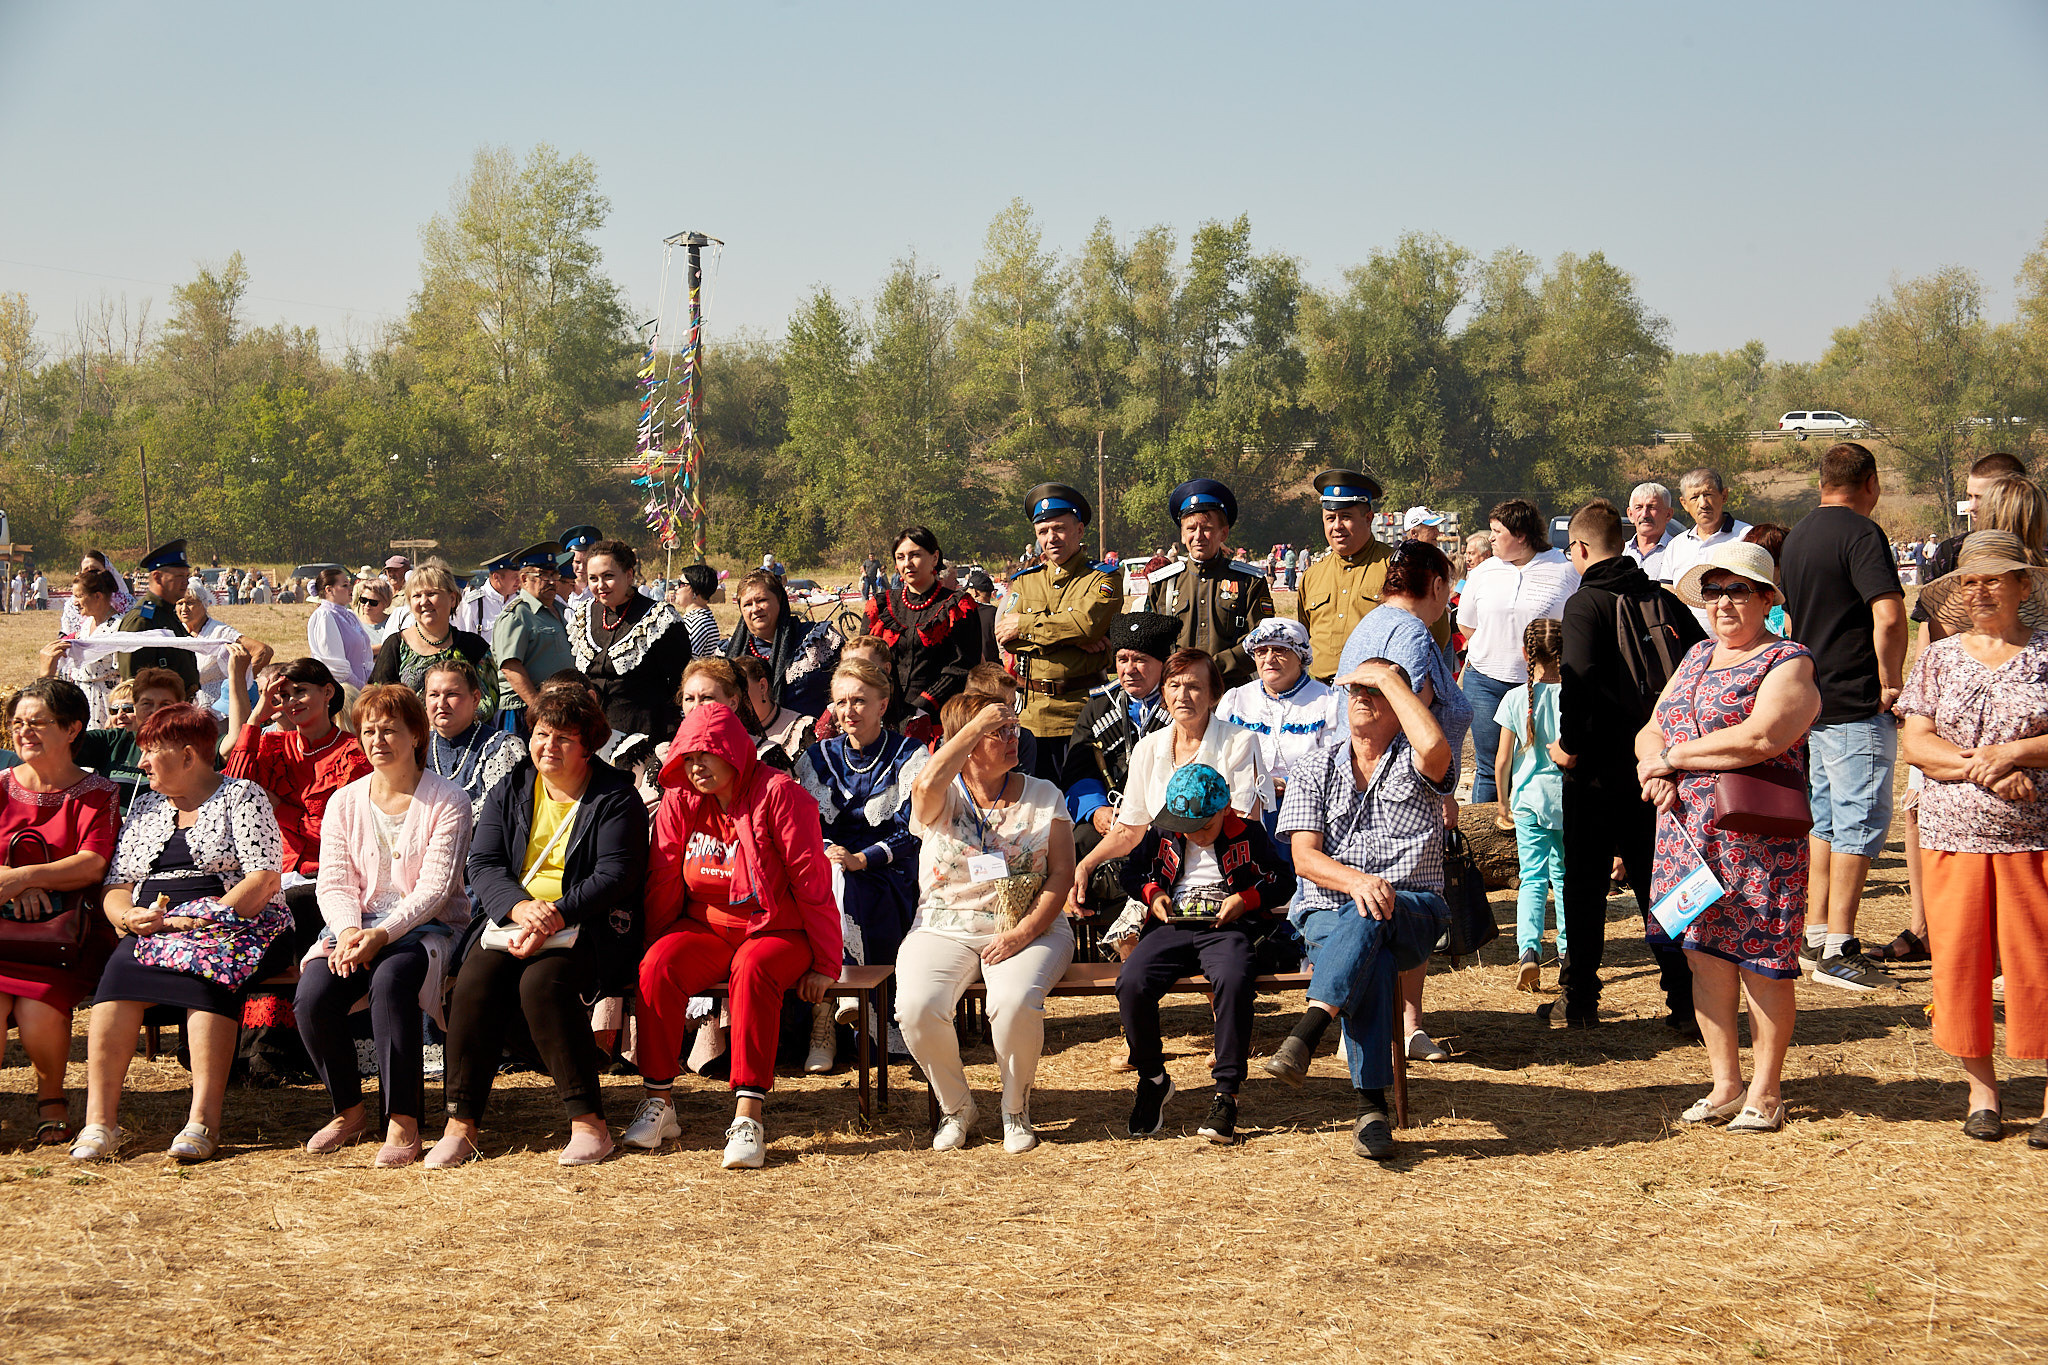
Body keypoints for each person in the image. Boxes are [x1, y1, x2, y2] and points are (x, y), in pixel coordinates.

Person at [1636, 541, 1819, 1134]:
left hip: (1756, 839)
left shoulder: (1787, 661)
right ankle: (1725, 1085)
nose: (1723, 603)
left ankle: (1766, 1091)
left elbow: (1763, 737)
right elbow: (1651, 728)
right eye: (1713, 592)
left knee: (1763, 962)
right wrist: (1651, 768)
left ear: (1766, 599)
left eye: (1738, 590)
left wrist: (1674, 758)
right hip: (1687, 833)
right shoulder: (1695, 657)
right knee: (1704, 956)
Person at [429, 687, 648, 1169]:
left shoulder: (615, 796)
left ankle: (590, 1125)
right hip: (514, 919)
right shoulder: (512, 787)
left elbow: (617, 873)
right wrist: (522, 908)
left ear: (588, 745)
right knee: (474, 984)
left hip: (588, 924)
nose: (548, 746)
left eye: (564, 738)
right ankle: (460, 1124)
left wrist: (555, 914)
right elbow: (483, 862)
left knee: (542, 985)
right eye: (541, 734)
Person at [68, 703, 290, 1163]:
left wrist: (202, 918)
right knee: (118, 976)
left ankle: (202, 1121)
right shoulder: (145, 805)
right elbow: (117, 884)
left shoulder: (242, 796)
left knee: (204, 968)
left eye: (151, 751)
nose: (142, 762)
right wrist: (128, 917)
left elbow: (263, 879)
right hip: (157, 927)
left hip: (238, 923)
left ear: (188, 756)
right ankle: (100, 1123)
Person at [625, 702, 841, 1167]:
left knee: (753, 967)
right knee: (658, 965)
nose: (696, 766)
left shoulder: (780, 794)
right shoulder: (681, 799)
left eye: (707, 754)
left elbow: (812, 880)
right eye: (688, 757)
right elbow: (663, 876)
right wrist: (652, 942)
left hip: (777, 927)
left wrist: (827, 962)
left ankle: (748, 1117)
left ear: (734, 752)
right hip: (706, 925)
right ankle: (658, 1102)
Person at [1263, 659, 1455, 1161]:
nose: (1363, 697)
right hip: (1329, 908)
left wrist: (1388, 676)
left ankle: (1310, 1028)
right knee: (1373, 950)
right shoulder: (1314, 768)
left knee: (1376, 910)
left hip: (1414, 907)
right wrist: (1357, 883)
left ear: (1401, 702)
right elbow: (1304, 858)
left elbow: (1436, 749)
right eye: (1356, 690)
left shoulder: (1417, 761)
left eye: (1376, 691)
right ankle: (1371, 1110)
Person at [1898, 531, 2048, 1146]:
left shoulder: (2046, 651)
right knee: (1960, 962)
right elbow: (1917, 742)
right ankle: (1981, 1092)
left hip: (2035, 837)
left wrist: (2014, 753)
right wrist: (1985, 768)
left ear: (2023, 585)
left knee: (2039, 962)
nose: (1980, 591)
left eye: (1994, 579)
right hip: (1951, 835)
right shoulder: (1938, 657)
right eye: (1970, 581)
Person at [296, 685, 473, 1168]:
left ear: (416, 735)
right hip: (355, 928)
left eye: (390, 730)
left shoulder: (448, 799)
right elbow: (334, 881)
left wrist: (382, 935)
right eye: (368, 731)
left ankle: (403, 1120)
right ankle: (349, 1111)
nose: (377, 740)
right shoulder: (344, 802)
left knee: (392, 981)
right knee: (313, 993)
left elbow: (435, 890)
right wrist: (348, 932)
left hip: (427, 929)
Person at [896, 692, 1077, 1153]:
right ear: (968, 742)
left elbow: (1061, 874)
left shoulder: (1044, 794)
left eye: (1013, 728)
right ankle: (957, 1107)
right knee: (916, 1007)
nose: (1014, 738)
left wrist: (1023, 932)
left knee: (1013, 1002)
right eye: (999, 732)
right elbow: (924, 787)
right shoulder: (942, 793)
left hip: (1029, 924)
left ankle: (1015, 1109)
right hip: (945, 923)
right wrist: (974, 727)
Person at [1556, 499, 1708, 1029]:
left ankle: (1580, 1000)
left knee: (1584, 885)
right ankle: (1686, 1001)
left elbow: (1576, 682)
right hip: (1660, 765)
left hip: (1598, 771)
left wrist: (1569, 745)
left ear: (1579, 548)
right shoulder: (1662, 598)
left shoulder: (1585, 603)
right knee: (1659, 884)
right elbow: (1699, 664)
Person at [1779, 442, 1906, 991]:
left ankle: (1815, 934)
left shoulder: (1798, 535)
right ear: (1870, 483)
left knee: (1827, 821)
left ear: (1821, 482)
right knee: (1859, 820)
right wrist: (1890, 680)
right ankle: (1841, 947)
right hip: (1856, 698)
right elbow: (1890, 614)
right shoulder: (1862, 533)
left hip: (1816, 697)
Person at [1115, 763, 1295, 1144]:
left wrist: (1246, 900)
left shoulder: (1249, 833)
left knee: (1234, 978)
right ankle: (1152, 1078)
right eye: (1186, 827)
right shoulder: (1165, 831)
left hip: (1227, 927)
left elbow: (1284, 879)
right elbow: (1130, 872)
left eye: (1203, 827)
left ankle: (1226, 1094)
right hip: (1172, 924)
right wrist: (1154, 894)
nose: (1194, 835)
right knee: (1131, 981)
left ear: (1224, 809)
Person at [1073, 648, 1265, 951]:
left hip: (1219, 879)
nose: (1182, 696)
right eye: (1174, 686)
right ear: (1163, 693)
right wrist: (1085, 865)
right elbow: (1128, 830)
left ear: (1214, 695)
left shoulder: (1240, 742)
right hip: (1161, 878)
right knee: (1129, 943)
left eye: (1194, 686)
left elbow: (1245, 824)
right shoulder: (1148, 748)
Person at [0, 679, 120, 1148]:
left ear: (72, 729)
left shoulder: (98, 792)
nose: (23, 732)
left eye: (37, 722)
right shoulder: (0, 786)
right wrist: (13, 881)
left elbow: (93, 863)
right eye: (17, 723)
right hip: (2, 930)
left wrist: (28, 877)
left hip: (65, 936)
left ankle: (51, 1099)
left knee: (37, 1009)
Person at [223, 651, 372, 962]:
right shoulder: (273, 746)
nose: (291, 702)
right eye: (284, 696)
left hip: (331, 876)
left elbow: (339, 835)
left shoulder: (354, 753)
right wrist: (256, 718)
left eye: (300, 691)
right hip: (273, 875)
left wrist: (279, 808)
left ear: (327, 692)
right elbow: (232, 790)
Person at [795, 660, 924, 1005]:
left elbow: (913, 831)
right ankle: (826, 1007)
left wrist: (862, 859)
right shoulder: (818, 757)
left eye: (859, 701)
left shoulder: (909, 755)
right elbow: (806, 825)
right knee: (829, 883)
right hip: (831, 863)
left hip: (889, 867)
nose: (848, 711)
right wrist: (830, 852)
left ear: (882, 705)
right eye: (841, 702)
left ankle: (855, 996)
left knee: (858, 889)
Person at [1458, 499, 1580, 806]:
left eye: (1497, 532)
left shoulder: (1564, 569)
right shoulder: (1484, 571)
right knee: (1490, 768)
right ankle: (1492, 826)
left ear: (1522, 535)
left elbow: (1575, 625)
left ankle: (1540, 828)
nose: (1490, 538)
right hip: (1485, 683)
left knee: (1544, 765)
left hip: (1545, 686)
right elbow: (1467, 625)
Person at [996, 483, 1119, 782]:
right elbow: (1006, 638)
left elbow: (1087, 626)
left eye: (1059, 528)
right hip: (1031, 716)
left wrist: (1026, 626)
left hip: (1083, 712)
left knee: (1083, 799)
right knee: (1035, 802)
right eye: (1043, 531)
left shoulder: (1103, 578)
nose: (1051, 538)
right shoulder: (1025, 581)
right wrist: (1072, 638)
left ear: (1079, 530)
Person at [1296, 469, 1451, 685]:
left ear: (1368, 518)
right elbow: (1304, 637)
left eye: (1346, 517)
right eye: (1330, 518)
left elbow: (1436, 635)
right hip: (1321, 691)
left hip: (1377, 693)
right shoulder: (1312, 576)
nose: (1337, 526)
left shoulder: (1401, 567)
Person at [1143, 480, 1275, 690]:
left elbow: (1262, 638)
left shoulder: (1249, 582)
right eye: (1191, 529)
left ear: (1223, 533)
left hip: (1231, 692)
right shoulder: (1163, 583)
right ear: (1182, 535)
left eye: (1207, 528)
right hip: (1177, 691)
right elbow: (1148, 641)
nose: (1198, 536)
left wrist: (1213, 667)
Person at [1494, 619, 1568, 991]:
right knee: (1565, 878)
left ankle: (1529, 951)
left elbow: (1502, 760)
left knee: (1532, 879)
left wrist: (1502, 804)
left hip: (1527, 800)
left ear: (1525, 653)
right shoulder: (1574, 695)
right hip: (1567, 799)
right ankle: (1569, 952)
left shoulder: (1515, 698)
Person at [564, 539, 691, 748]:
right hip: (594, 734)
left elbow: (680, 681)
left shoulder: (658, 618)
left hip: (645, 735)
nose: (600, 585)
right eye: (593, 578)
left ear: (629, 575)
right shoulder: (585, 614)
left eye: (608, 576)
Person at [1217, 617, 1339, 822]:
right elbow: (1218, 755)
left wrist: (1287, 783)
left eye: (1279, 650)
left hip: (1305, 806)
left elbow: (1333, 764)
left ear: (1300, 657)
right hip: (1241, 807)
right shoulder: (1235, 699)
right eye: (1261, 651)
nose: (1269, 659)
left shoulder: (1327, 702)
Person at [866, 526, 983, 737]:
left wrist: (922, 705)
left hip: (938, 719)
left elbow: (963, 666)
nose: (907, 563)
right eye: (900, 557)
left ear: (935, 557)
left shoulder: (957, 605)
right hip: (884, 717)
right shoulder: (881, 605)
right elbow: (862, 659)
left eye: (915, 555)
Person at [370, 557, 499, 727]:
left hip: (467, 737)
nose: (424, 602)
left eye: (431, 594)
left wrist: (449, 722)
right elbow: (377, 698)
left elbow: (490, 699)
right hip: (411, 738)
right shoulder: (396, 645)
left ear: (452, 599)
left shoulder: (474, 646)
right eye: (417, 595)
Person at [722, 568, 844, 722]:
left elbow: (849, 686)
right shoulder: (728, 652)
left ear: (779, 600)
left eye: (762, 600)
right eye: (747, 604)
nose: (755, 609)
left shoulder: (818, 641)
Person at [423, 658, 526, 823]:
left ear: (475, 699)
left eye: (452, 694)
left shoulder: (501, 748)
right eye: (434, 695)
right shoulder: (416, 747)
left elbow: (502, 817)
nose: (441, 703)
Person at [492, 542, 575, 733]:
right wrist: (538, 708)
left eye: (554, 574)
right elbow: (510, 667)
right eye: (543, 575)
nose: (552, 581)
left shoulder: (560, 610)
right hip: (524, 711)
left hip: (557, 708)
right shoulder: (517, 615)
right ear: (524, 579)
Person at [1661, 468, 1755, 631]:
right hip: (1689, 643)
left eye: (1708, 494)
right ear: (1684, 504)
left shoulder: (1747, 537)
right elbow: (1667, 596)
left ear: (1724, 496)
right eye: (1694, 497)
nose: (1703, 504)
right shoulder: (1676, 546)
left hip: (1740, 640)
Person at [114, 539, 201, 699]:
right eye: (179, 576)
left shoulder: (167, 614)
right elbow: (133, 684)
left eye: (186, 576)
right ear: (157, 577)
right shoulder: (142, 621)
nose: (185, 582)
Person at [40, 566, 125, 728]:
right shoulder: (87, 624)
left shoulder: (118, 627)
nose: (75, 602)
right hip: (84, 700)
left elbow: (124, 675)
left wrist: (115, 712)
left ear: (98, 596)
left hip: (105, 704)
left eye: (79, 596)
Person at [173, 584, 269, 713]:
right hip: (186, 711)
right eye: (180, 603)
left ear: (203, 604)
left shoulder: (220, 632)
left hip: (219, 712)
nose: (184, 608)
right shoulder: (177, 632)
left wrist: (239, 683)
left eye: (190, 603)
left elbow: (263, 651)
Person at [733, 654, 812, 766]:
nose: (736, 701)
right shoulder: (727, 735)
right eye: (730, 694)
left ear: (762, 686)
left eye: (741, 691)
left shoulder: (801, 730)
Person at [306, 567, 375, 690]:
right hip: (343, 691)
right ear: (329, 590)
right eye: (344, 585)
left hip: (362, 688)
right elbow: (335, 665)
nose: (351, 589)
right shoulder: (324, 616)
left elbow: (366, 655)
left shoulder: (350, 615)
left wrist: (370, 682)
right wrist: (361, 687)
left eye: (349, 584)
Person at [61, 551, 134, 634]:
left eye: (94, 570)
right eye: (86, 570)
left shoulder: (126, 603)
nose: (90, 574)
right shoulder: (87, 622)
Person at [454, 550, 521, 638]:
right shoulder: (472, 604)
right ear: (496, 577)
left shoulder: (520, 601)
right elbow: (463, 639)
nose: (519, 580)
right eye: (515, 577)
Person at [1623, 482, 1681, 581]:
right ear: (1630, 514)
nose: (1645, 514)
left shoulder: (1678, 553)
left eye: (1652, 507)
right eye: (1639, 507)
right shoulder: (1621, 552)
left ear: (1668, 514)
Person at [672, 563, 723, 659]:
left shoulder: (697, 622)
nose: (676, 588)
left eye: (681, 584)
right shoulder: (701, 618)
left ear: (696, 590)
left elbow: (682, 660)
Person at [558, 524, 602, 609]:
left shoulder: (601, 589)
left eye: (586, 562)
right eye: (577, 562)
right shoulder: (559, 589)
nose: (581, 567)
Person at [354, 577, 396, 647]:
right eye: (363, 600)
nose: (367, 605)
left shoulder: (393, 623)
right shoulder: (354, 625)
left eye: (373, 602)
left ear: (385, 603)